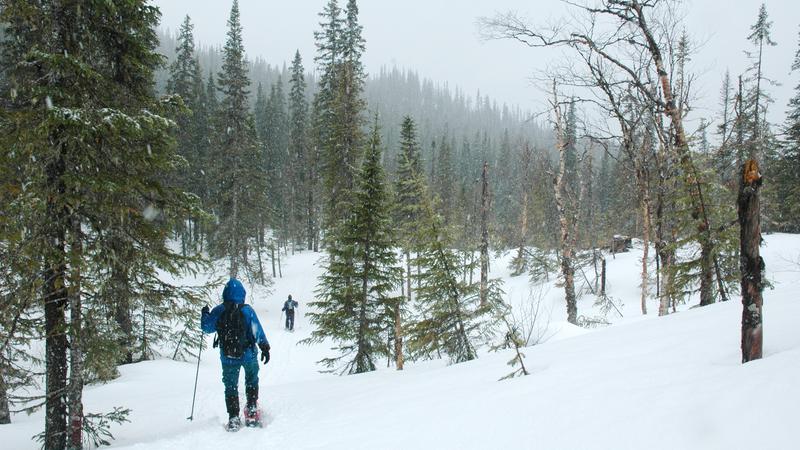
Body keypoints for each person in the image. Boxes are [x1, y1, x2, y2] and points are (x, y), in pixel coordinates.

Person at [201, 278, 270, 431]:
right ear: (242, 293)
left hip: (228, 357)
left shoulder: (219, 310)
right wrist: (265, 347)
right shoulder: (247, 310)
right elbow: (256, 330)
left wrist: (205, 313)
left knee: (230, 385)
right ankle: (252, 411)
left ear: (225, 293)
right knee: (251, 379)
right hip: (248, 354)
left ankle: (233, 417)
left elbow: (206, 327)